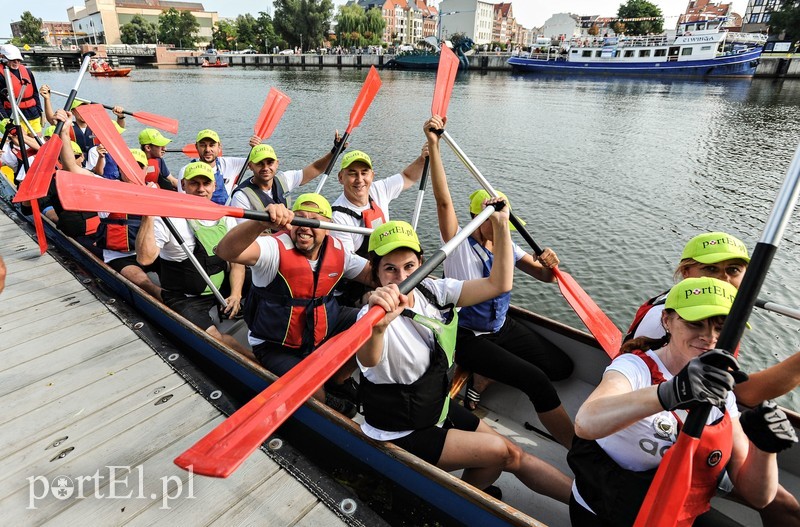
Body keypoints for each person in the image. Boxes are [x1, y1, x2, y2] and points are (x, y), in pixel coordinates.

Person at [357, 216, 572, 504]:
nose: (401, 277)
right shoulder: (370, 317)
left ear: (421, 263)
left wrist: (500, 225)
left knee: (514, 452)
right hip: (399, 430)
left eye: (409, 266)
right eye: (390, 270)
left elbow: (499, 283)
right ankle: (455, 503)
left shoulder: (432, 291)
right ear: (376, 274)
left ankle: (593, 506)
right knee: (502, 453)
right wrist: (379, 326)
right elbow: (368, 359)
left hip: (435, 409)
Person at [570, 277, 795, 526]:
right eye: (695, 324)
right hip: (608, 513)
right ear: (667, 320)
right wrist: (671, 392)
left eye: (721, 328)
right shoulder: (634, 367)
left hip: (676, 515)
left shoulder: (723, 393)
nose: (709, 337)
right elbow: (586, 422)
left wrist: (765, 450)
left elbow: (758, 498)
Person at [624, 231, 800, 524]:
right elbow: (743, 394)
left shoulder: (705, 311)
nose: (722, 280)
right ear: (686, 272)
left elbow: (728, 393)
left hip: (703, 412)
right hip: (672, 430)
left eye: (733, 270)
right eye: (710, 269)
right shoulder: (669, 321)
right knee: (786, 508)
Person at [424, 115, 574, 448]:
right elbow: (443, 200)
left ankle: (483, 378)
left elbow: (546, 276)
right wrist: (434, 145)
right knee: (535, 380)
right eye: (488, 218)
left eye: (499, 217)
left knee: (562, 368)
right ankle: (579, 451)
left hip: (500, 327)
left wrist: (551, 262)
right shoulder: (459, 243)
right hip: (465, 335)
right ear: (477, 220)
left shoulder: (507, 239)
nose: (495, 224)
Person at [214, 193, 374, 417]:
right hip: (276, 342)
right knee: (312, 392)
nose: (304, 227)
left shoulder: (338, 250)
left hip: (322, 325)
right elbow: (224, 251)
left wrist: (396, 266)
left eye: (313, 221)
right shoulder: (273, 248)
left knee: (373, 321)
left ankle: (340, 377)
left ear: (327, 227)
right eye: (299, 219)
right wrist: (260, 223)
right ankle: (325, 396)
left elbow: (372, 275)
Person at [135, 161, 250, 357]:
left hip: (221, 291)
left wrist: (236, 294)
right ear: (183, 185)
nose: (201, 189)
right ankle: (260, 366)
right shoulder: (168, 219)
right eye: (194, 184)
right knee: (217, 340)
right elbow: (145, 259)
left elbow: (237, 263)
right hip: (186, 298)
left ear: (214, 186)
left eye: (206, 184)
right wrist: (149, 216)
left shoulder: (226, 218)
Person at [229, 136, 344, 221]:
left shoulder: (284, 179)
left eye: (270, 163)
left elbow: (315, 168)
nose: (266, 168)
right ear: (250, 166)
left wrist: (334, 152)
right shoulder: (241, 196)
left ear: (277, 164)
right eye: (260, 164)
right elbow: (244, 234)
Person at [177, 129, 260, 205]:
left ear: (219, 147)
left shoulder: (229, 164)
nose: (207, 150)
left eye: (212, 145)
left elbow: (256, 163)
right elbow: (184, 202)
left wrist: (256, 148)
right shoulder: (186, 171)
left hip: (226, 216)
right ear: (196, 147)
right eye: (203, 145)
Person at [0, 45, 43, 134]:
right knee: (21, 141)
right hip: (13, 114)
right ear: (3, 57)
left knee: (38, 140)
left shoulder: (27, 71)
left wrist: (40, 111)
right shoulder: (1, 75)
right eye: (13, 59)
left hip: (32, 112)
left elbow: (35, 93)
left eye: (18, 59)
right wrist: (5, 119)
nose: (16, 62)